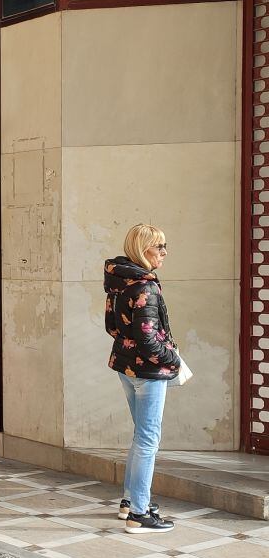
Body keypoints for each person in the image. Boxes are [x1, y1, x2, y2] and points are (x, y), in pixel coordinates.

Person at [105, 224, 179, 534]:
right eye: (158, 247)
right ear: (141, 250)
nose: (164, 252)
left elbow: (112, 326)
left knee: (141, 437)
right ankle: (139, 513)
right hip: (148, 372)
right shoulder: (145, 287)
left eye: (164, 246)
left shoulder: (119, 282)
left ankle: (130, 501)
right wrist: (173, 358)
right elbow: (149, 340)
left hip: (127, 367)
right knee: (148, 440)